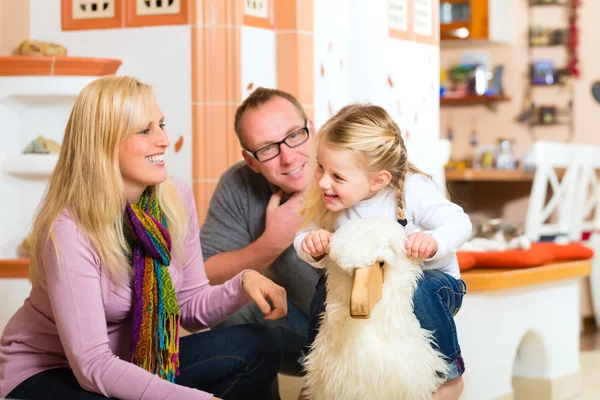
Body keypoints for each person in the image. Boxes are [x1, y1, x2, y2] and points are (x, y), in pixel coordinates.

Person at [0, 76, 287, 400]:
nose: (163, 140)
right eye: (145, 130)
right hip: (51, 373)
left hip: (132, 362)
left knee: (258, 346)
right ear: (104, 141)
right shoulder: (70, 230)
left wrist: (243, 283)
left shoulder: (174, 199)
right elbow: (93, 366)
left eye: (161, 125)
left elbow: (190, 308)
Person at [294, 104, 472, 400]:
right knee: (325, 288)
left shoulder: (413, 190)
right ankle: (317, 371)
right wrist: (311, 245)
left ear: (379, 180)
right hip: (365, 296)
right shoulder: (333, 202)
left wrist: (434, 242)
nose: (324, 181)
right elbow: (302, 237)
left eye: (337, 176)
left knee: (420, 288)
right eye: (320, 167)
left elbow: (459, 222)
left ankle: (448, 376)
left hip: (436, 290)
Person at [200, 88, 320, 376]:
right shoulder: (238, 184)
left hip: (368, 332)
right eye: (267, 149)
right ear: (251, 160)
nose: (288, 158)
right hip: (302, 333)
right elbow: (204, 276)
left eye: (294, 135)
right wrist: (270, 244)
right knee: (230, 302)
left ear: (311, 130)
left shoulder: (350, 167)